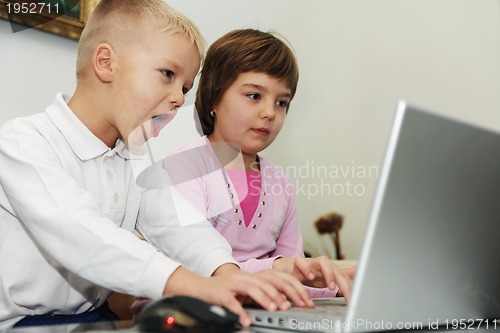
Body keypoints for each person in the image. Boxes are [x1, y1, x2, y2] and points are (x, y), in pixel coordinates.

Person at [0, 2, 314, 329]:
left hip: (91, 319)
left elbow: (179, 224)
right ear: (106, 63)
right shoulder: (23, 143)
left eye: (185, 87)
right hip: (22, 324)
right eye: (168, 74)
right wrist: (194, 285)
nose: (179, 97)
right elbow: (83, 236)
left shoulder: (135, 158)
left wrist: (227, 274)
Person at [139, 29, 354, 301]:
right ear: (215, 98)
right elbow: (198, 267)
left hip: (256, 312)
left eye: (281, 102)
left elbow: (296, 276)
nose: (269, 112)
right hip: (183, 311)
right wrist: (277, 269)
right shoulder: (184, 170)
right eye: (254, 96)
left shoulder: (281, 184)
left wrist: (338, 284)